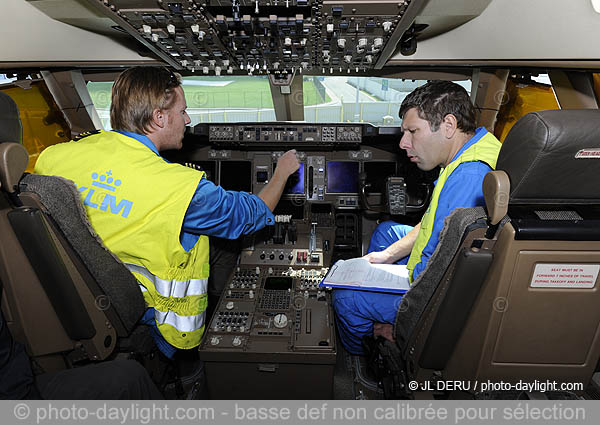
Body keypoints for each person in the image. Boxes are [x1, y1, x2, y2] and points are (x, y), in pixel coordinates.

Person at [34, 67, 300, 358]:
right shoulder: (180, 189)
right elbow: (251, 214)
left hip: (73, 297)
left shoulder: (56, 156)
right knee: (226, 245)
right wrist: (283, 172)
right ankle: (214, 334)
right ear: (159, 117)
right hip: (148, 316)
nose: (187, 120)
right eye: (183, 111)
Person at [332, 81, 502, 355]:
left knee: (345, 298)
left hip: (436, 292)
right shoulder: (474, 148)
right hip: (441, 265)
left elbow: (440, 271)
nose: (403, 143)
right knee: (386, 231)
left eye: (413, 131)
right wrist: (387, 256)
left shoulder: (470, 177)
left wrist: (405, 324)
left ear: (448, 125)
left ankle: (368, 359)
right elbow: (435, 222)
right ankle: (376, 304)